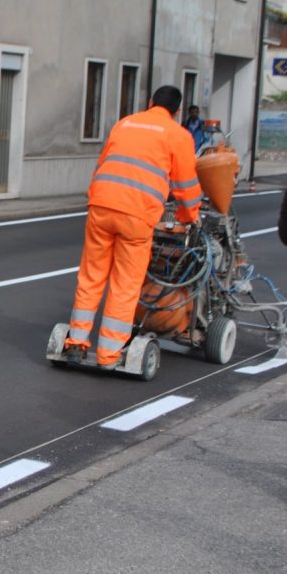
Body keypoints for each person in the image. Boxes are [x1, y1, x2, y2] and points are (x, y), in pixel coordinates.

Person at [64, 86, 205, 368]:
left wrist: (95, 197)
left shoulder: (125, 123)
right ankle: (109, 353)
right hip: (137, 215)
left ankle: (76, 343)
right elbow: (186, 185)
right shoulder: (178, 135)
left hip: (101, 205)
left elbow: (103, 164)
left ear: (150, 102)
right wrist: (190, 217)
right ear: (177, 112)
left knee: (92, 275)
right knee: (125, 282)